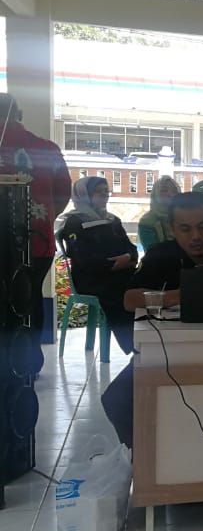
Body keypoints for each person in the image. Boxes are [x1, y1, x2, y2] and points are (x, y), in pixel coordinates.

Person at [101, 191, 203, 523]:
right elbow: (130, 299)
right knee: (117, 399)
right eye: (186, 229)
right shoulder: (162, 255)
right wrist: (180, 295)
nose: (196, 236)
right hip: (170, 350)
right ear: (173, 230)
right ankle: (157, 473)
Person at [0, 93, 71, 342]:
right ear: (18, 114)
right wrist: (43, 216)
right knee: (30, 297)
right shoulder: (47, 149)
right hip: (37, 240)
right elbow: (63, 193)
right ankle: (29, 358)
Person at [56, 176, 137, 353]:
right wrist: (112, 265)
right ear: (84, 195)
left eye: (106, 191)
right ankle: (133, 345)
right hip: (90, 278)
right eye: (98, 192)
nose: (104, 195)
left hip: (120, 272)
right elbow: (81, 257)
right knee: (120, 292)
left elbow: (131, 248)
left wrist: (127, 257)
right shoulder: (74, 222)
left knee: (143, 286)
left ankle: (149, 340)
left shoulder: (112, 220)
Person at [137, 175, 179, 250]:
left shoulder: (183, 217)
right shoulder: (147, 221)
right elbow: (153, 252)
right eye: (164, 190)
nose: (170, 195)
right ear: (156, 194)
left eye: (174, 191)